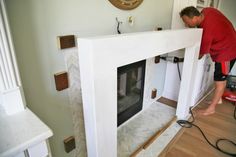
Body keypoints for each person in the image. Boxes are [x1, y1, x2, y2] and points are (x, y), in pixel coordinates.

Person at [179, 6, 236, 116]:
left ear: (195, 18)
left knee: (220, 80)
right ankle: (218, 99)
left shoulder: (207, 32)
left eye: (186, 22)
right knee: (219, 78)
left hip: (228, 52)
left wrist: (187, 57)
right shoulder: (208, 10)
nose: (186, 25)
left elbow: (200, 55)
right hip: (229, 42)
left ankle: (211, 108)